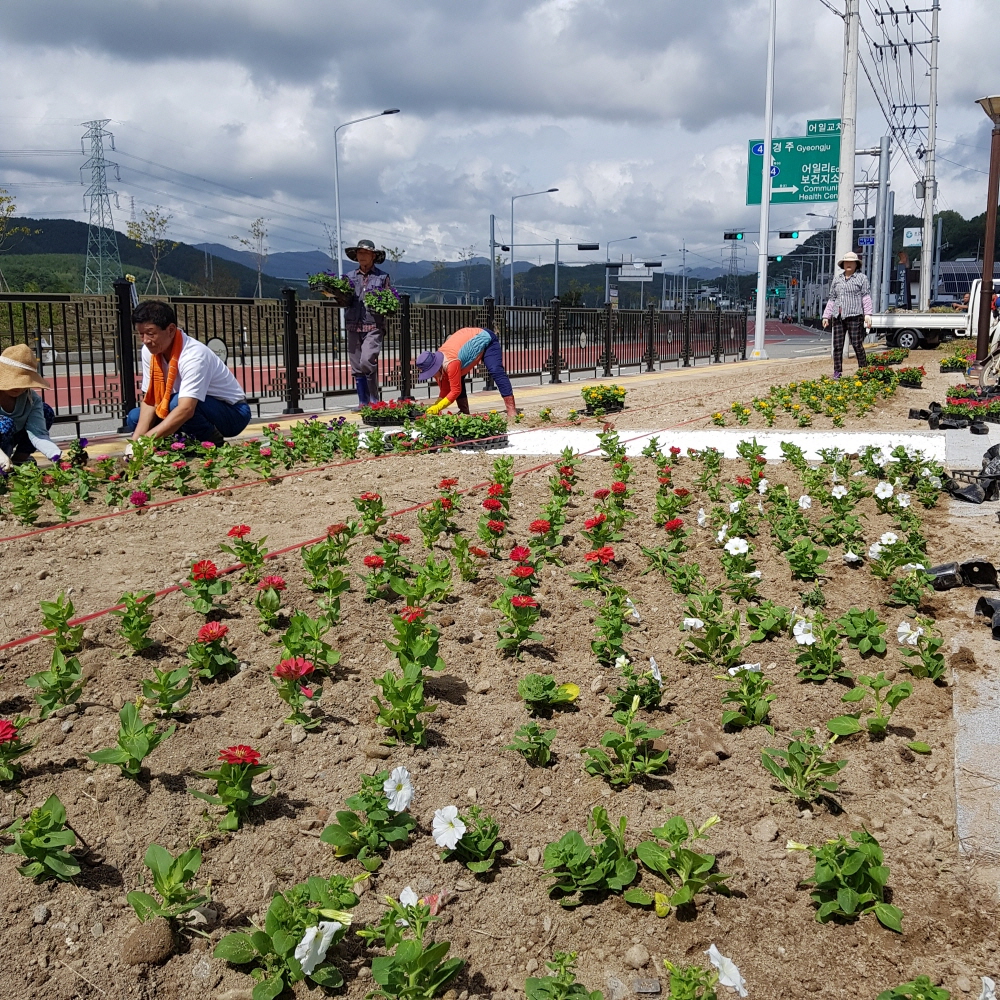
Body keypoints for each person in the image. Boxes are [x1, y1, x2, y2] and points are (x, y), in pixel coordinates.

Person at [125, 300, 251, 448]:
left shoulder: (194, 355)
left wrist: (146, 440)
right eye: (141, 334)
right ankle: (175, 445)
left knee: (177, 403)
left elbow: (186, 408)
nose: (145, 340)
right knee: (134, 417)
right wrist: (136, 440)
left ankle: (213, 444)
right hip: (184, 405)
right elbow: (151, 399)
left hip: (232, 413)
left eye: (151, 334)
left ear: (171, 330)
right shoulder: (149, 351)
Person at [415, 326, 517, 419]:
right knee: (457, 378)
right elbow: (445, 389)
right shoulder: (438, 366)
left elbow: (455, 391)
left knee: (495, 370)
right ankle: (464, 411)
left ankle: (511, 409)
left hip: (486, 339)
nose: (431, 375)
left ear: (435, 367)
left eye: (431, 372)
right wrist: (436, 406)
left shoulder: (451, 362)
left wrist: (438, 407)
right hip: (464, 342)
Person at [344, 239, 392, 410]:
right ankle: (363, 402)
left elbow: (390, 300)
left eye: (365, 253)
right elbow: (344, 300)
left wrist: (385, 306)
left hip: (373, 326)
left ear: (373, 256)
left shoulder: (382, 277)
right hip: (352, 325)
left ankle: (374, 399)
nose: (361, 256)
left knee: (367, 360)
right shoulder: (349, 277)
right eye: (359, 253)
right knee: (357, 365)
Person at [0, 343, 62, 471]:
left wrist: (56, 456)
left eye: (23, 383)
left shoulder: (32, 400)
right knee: (5, 423)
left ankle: (18, 460)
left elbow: (38, 434)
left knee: (46, 411)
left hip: (13, 437)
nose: (18, 387)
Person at [822, 251, 873, 378]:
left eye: (851, 262)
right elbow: (832, 298)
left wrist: (868, 314)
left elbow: (866, 297)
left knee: (857, 344)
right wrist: (826, 316)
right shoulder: (837, 279)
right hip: (838, 317)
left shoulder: (862, 278)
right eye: (846, 262)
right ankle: (837, 372)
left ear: (856, 264)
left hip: (855, 316)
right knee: (837, 346)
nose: (848, 264)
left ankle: (863, 370)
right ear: (843, 264)